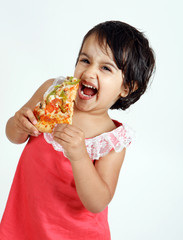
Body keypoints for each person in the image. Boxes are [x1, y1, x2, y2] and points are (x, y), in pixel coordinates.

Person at [0, 20, 155, 240]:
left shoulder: (111, 140)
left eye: (105, 67)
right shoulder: (53, 92)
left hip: (75, 233)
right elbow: (14, 136)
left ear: (126, 87)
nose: (89, 72)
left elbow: (98, 202)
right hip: (26, 221)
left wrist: (80, 156)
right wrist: (17, 124)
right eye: (85, 60)